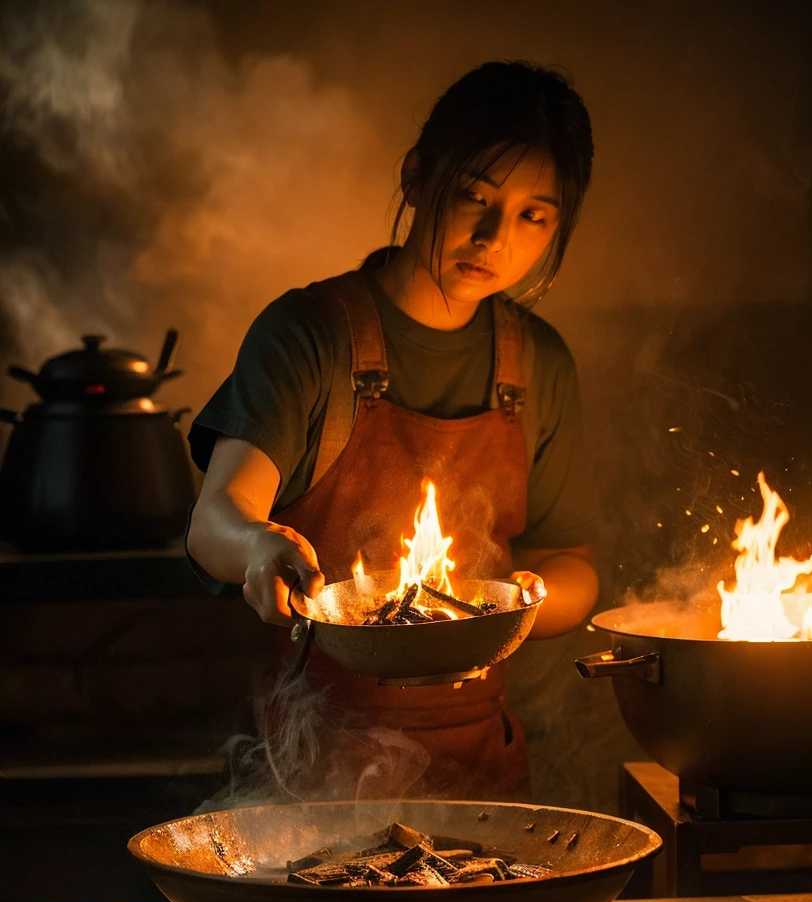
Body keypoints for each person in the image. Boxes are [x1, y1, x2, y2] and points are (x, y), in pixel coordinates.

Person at [186, 60, 599, 802]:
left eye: (534, 215)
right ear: (416, 177)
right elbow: (213, 520)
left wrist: (525, 597)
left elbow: (573, 566)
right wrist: (257, 544)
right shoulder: (308, 335)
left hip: (481, 776)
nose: (493, 237)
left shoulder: (541, 364)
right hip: (313, 765)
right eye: (474, 195)